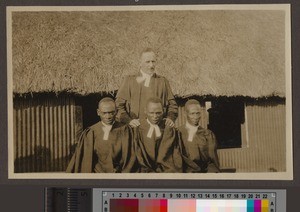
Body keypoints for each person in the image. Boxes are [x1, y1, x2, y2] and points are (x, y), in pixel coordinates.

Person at [66, 97, 138, 173]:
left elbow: (130, 158)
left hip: (119, 175)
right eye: (104, 113)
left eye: (111, 112)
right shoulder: (91, 132)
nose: (108, 116)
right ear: (98, 112)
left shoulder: (125, 130)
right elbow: (85, 161)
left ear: (116, 112)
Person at [115, 48, 178, 128]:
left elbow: (173, 106)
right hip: (135, 129)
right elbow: (118, 105)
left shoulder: (163, 81)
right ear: (140, 63)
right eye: (147, 62)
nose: (151, 65)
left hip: (158, 129)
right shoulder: (129, 81)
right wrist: (129, 121)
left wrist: (170, 118)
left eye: (153, 61)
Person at [134, 97, 182, 173]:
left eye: (158, 113)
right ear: (145, 111)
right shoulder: (138, 129)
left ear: (163, 111)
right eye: (151, 113)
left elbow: (174, 156)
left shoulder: (168, 129)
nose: (155, 116)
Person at [178, 99, 220, 173]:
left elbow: (213, 162)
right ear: (185, 114)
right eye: (192, 113)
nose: (196, 117)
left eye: (198, 113)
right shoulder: (177, 133)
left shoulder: (207, 134)